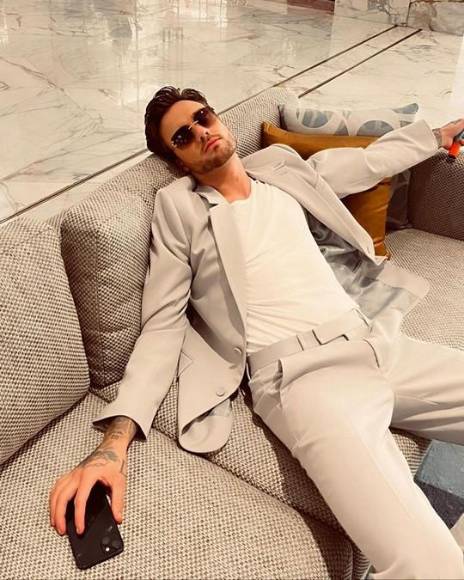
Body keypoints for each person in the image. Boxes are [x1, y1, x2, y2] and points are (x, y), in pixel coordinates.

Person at [50, 85, 464, 578]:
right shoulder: (179, 208)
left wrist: (437, 134)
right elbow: (162, 324)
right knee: (430, 564)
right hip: (305, 382)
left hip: (377, 343)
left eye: (203, 117)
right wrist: (112, 447)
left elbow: (368, 163)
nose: (200, 132)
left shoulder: (281, 169)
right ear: (178, 160)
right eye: (182, 136)